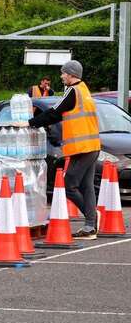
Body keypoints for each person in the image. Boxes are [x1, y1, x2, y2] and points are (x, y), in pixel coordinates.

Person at [29, 60, 100, 239]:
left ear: (71, 74)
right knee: (86, 186)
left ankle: (92, 218)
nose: (61, 76)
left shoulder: (73, 91)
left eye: (63, 73)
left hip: (82, 147)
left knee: (69, 185)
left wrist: (30, 123)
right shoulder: (84, 89)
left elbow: (54, 113)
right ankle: (90, 226)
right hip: (91, 145)